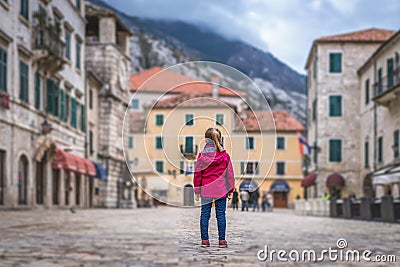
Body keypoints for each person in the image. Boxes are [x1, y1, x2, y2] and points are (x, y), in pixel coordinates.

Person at [193, 128, 235, 248]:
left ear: (206, 140)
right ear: (220, 139)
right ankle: (222, 240)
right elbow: (230, 175)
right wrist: (231, 190)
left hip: (206, 189)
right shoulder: (225, 156)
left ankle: (205, 241)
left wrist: (197, 191)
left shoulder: (201, 156)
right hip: (221, 189)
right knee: (221, 215)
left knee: (205, 215)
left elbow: (198, 174)